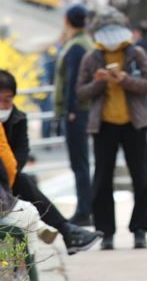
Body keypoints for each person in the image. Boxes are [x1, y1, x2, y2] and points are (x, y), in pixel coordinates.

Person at [77, 9, 147, 250]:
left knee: (141, 178)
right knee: (101, 179)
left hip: (135, 124)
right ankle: (105, 231)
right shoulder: (91, 58)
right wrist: (100, 81)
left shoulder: (136, 53)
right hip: (103, 125)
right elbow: (80, 93)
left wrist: (124, 79)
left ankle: (140, 229)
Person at [0, 70, 101, 254]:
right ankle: (65, 230)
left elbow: (21, 153)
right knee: (24, 184)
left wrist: (7, 177)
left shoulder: (18, 118)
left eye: (7, 100)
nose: (3, 105)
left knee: (23, 180)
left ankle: (63, 231)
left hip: (9, 177)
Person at [53, 3, 94, 225]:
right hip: (83, 110)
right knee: (82, 162)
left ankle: (84, 210)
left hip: (77, 112)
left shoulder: (76, 47)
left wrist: (70, 111)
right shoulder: (84, 43)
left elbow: (73, 82)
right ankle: (86, 207)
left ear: (67, 20)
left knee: (79, 163)